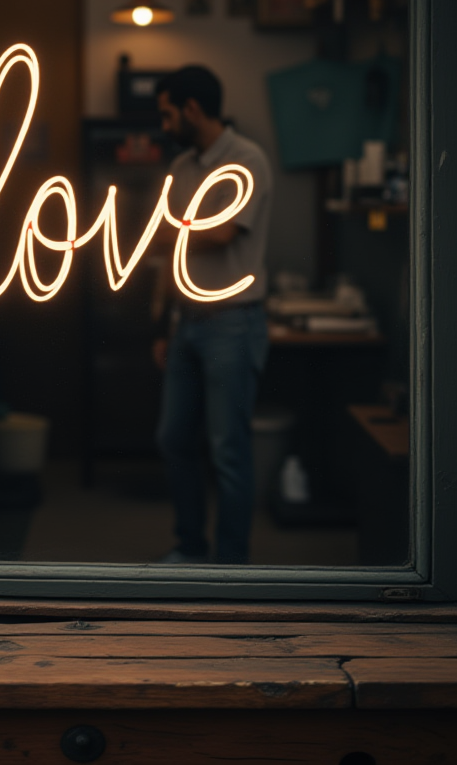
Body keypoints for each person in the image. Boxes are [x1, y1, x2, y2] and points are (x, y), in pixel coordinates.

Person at [153, 65, 273, 565]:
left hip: (232, 323)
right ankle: (189, 547)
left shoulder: (248, 161)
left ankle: (230, 566)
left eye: (167, 114)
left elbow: (222, 231)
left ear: (192, 109)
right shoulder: (182, 167)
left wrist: (167, 231)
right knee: (173, 439)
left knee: (228, 452)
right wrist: (162, 323)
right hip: (187, 323)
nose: (163, 125)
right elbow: (169, 256)